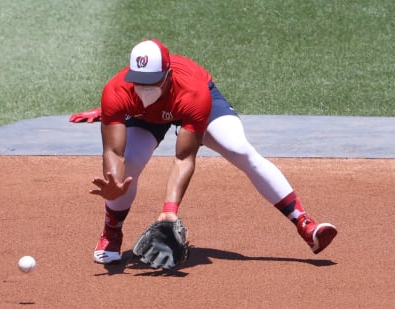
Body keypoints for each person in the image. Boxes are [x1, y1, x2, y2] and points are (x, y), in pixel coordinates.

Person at [70, 39, 338, 265]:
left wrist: (169, 210)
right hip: (146, 117)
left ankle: (305, 224)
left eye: (151, 82)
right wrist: (115, 183)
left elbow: (184, 157)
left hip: (192, 105)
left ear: (168, 75)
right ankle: (112, 231)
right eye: (139, 82)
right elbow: (113, 151)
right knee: (130, 164)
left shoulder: (192, 92)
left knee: (240, 149)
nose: (144, 89)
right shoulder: (117, 91)